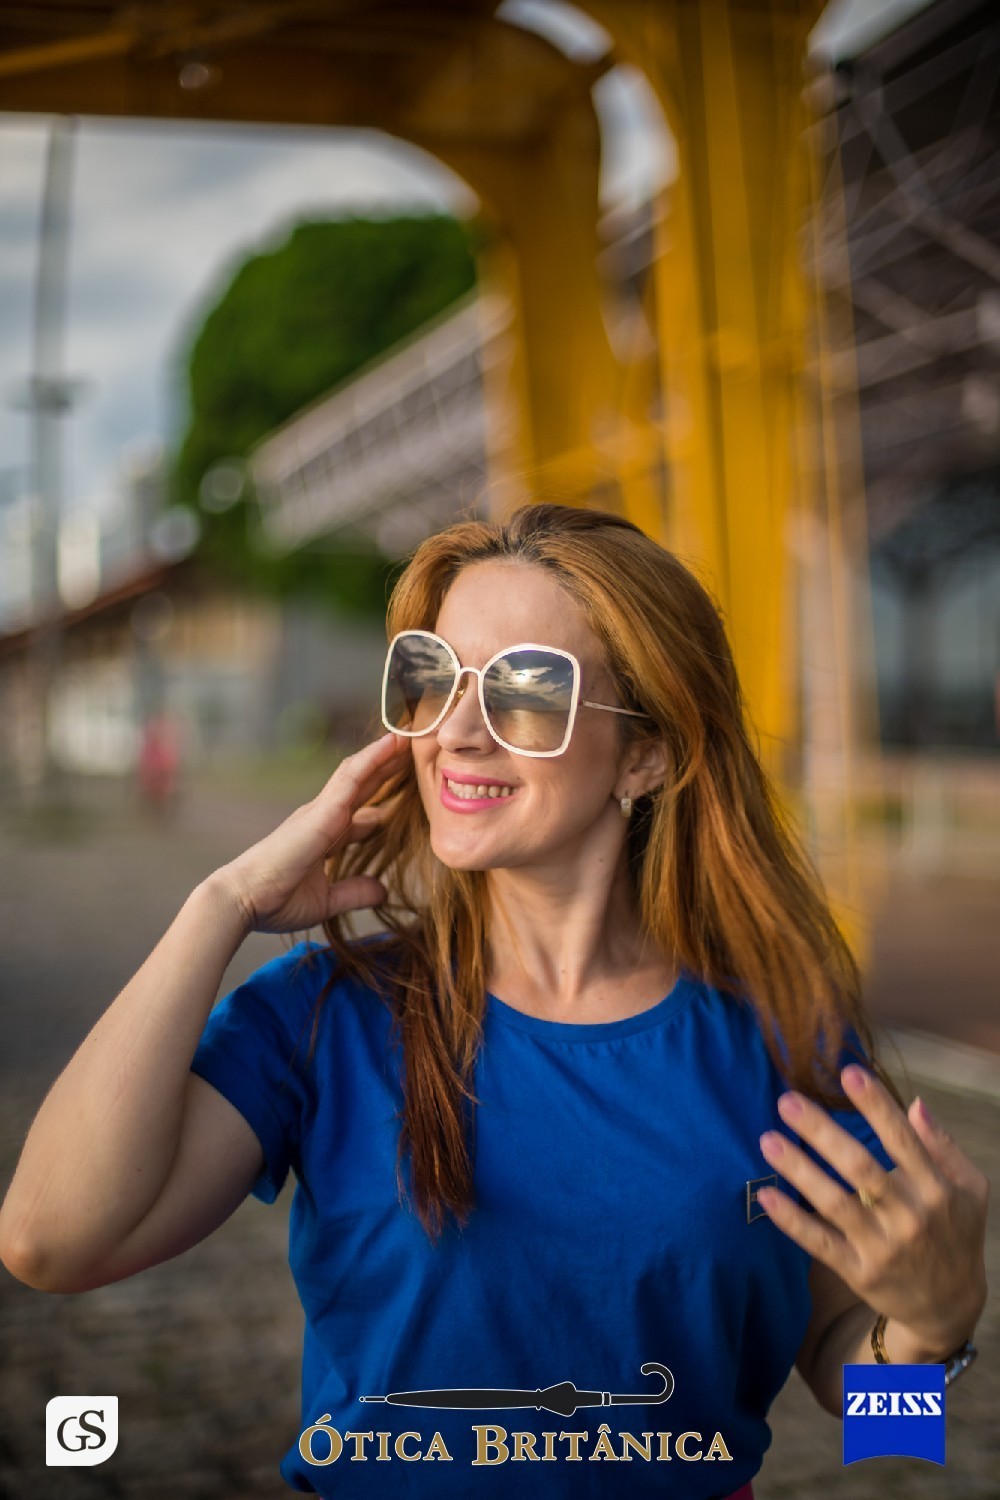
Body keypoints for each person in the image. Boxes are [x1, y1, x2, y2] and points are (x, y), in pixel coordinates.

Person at [0, 504, 988, 1499]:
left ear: (646, 754)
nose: (457, 732)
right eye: (433, 677)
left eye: (526, 689)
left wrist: (931, 1329)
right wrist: (221, 905)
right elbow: (50, 1243)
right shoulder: (324, 1017)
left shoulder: (779, 1035)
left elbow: (879, 1436)